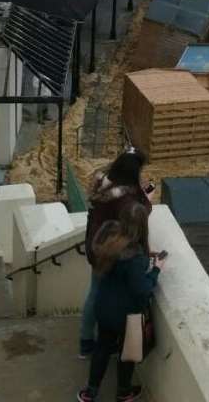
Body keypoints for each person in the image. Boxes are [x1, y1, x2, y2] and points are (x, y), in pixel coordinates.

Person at [77, 203, 165, 402]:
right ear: (143, 226)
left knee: (102, 347)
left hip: (103, 307)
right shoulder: (134, 258)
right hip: (125, 315)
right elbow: (142, 290)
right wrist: (156, 269)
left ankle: (90, 392)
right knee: (127, 354)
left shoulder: (109, 241)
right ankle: (123, 392)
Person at [80, 150, 152, 358]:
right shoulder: (124, 199)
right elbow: (138, 214)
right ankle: (91, 345)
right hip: (110, 249)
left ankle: (86, 341)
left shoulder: (104, 183)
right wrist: (146, 199)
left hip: (96, 243)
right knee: (99, 295)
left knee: (95, 293)